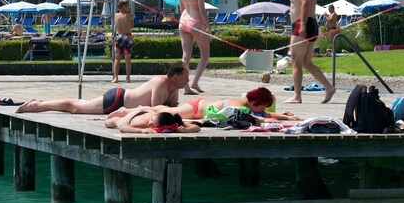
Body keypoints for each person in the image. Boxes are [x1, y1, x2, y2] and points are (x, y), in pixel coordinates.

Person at [16, 63, 187, 114]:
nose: (188, 81)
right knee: (74, 108)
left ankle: (41, 102)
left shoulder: (174, 88)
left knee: (81, 103)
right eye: (186, 77)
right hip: (117, 101)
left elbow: (171, 109)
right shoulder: (160, 83)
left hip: (122, 101)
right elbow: (157, 110)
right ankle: (35, 106)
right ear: (176, 77)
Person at [285, 0, 336, 103]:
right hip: (311, 23)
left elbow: (305, 2)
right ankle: (328, 87)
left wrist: (301, 25)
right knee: (306, 62)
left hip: (304, 23)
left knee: (295, 60)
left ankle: (297, 96)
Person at [110, 86, 301, 124]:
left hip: (199, 107)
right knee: (165, 110)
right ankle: (129, 110)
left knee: (164, 109)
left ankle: (131, 110)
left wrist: (285, 116)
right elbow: (261, 118)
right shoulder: (242, 108)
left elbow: (263, 115)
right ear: (254, 103)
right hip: (194, 109)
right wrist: (286, 119)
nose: (264, 109)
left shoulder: (245, 103)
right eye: (262, 106)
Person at [178, 0, 210, 95]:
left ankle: (185, 87)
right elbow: (202, 11)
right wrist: (208, 27)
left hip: (184, 21)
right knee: (205, 55)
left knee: (185, 57)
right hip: (196, 21)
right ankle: (195, 82)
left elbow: (181, 9)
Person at [106, 110, 200, 134]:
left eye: (152, 124)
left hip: (147, 112)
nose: (150, 124)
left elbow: (196, 127)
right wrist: (142, 131)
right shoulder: (145, 123)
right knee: (112, 123)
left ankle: (123, 110)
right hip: (134, 117)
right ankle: (121, 112)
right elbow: (123, 128)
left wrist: (186, 130)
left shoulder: (172, 122)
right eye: (152, 121)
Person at [112, 0, 134, 84]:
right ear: (124, 6)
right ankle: (128, 77)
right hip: (127, 36)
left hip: (119, 36)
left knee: (117, 59)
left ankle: (115, 77)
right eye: (128, 6)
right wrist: (130, 17)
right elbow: (132, 26)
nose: (129, 8)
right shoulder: (129, 16)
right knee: (127, 59)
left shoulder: (116, 15)